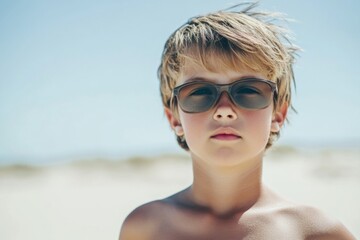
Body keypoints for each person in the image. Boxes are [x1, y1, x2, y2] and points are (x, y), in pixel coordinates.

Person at [119, 3, 355, 239]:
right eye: (200, 92)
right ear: (174, 118)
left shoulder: (314, 232)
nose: (224, 111)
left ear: (277, 114)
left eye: (248, 91)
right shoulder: (145, 227)